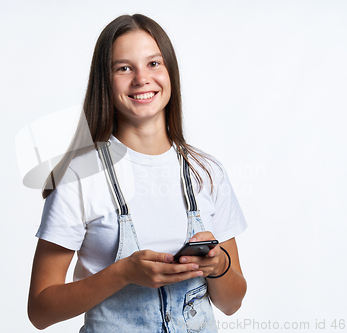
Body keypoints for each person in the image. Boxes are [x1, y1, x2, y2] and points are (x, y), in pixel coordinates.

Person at [27, 14, 248, 332]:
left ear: (170, 71)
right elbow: (40, 311)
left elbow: (231, 303)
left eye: (154, 63)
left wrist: (219, 266)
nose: (141, 78)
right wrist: (122, 273)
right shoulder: (80, 178)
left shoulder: (207, 173)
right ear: (106, 80)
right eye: (124, 67)